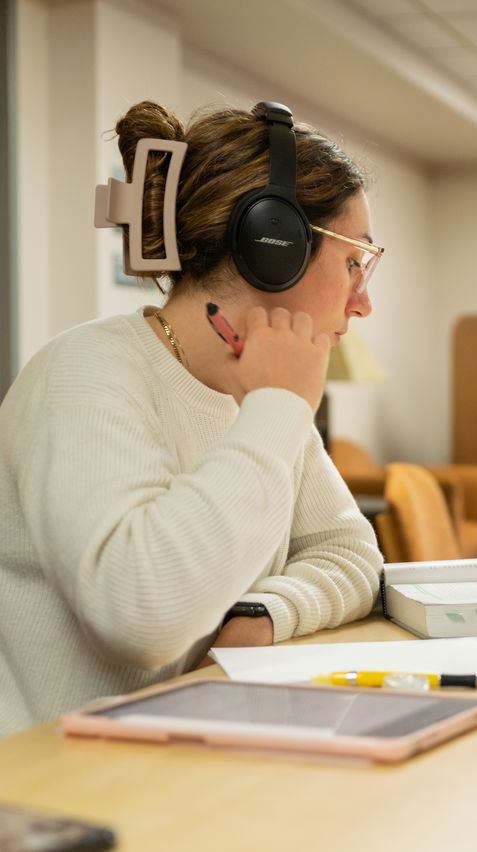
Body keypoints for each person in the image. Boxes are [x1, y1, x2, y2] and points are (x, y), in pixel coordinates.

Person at [0, 100, 385, 734]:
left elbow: (349, 555)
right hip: (63, 795)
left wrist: (263, 612)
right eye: (353, 262)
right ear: (274, 245)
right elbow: (143, 614)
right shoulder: (84, 374)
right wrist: (278, 410)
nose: (363, 301)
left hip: (191, 757)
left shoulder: (263, 393)